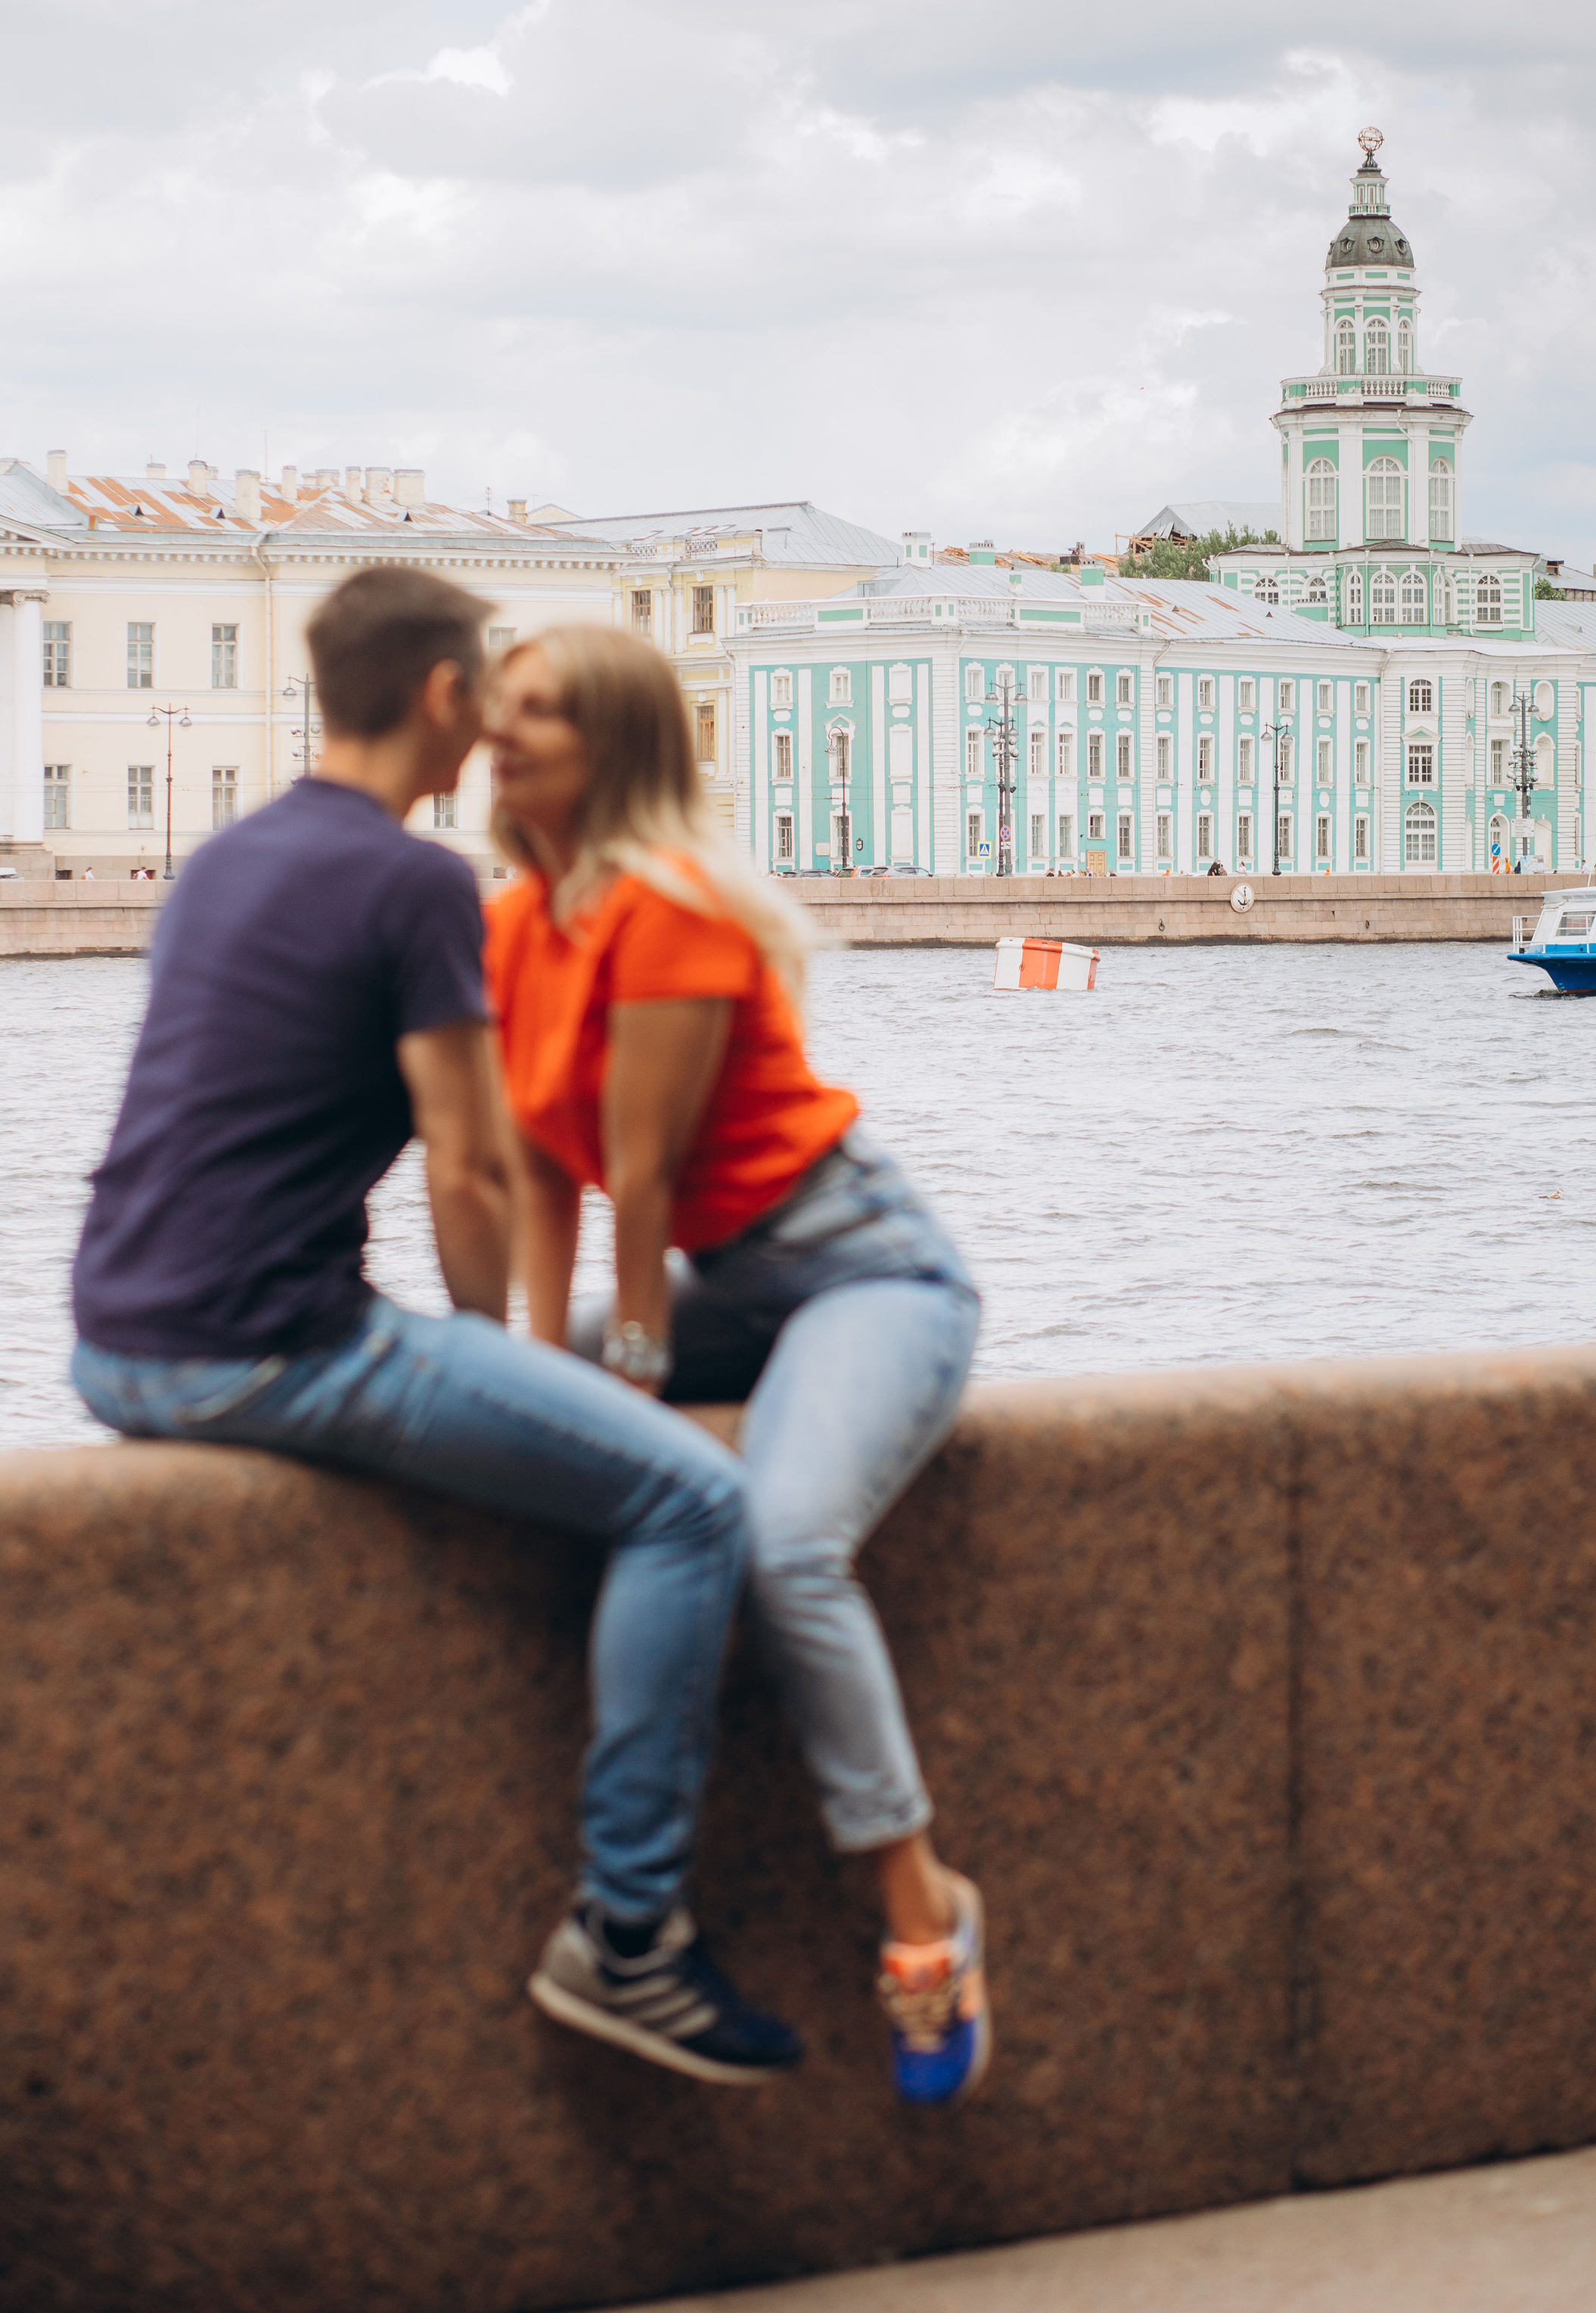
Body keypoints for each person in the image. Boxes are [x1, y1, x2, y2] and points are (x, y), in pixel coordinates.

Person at [70, 566, 800, 2088]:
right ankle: (630, 1936)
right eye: (485, 695)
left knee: (625, 1408)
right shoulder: (413, 884)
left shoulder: (223, 859)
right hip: (264, 1343)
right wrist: (503, 1357)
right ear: (441, 700)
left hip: (114, 1334)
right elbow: (469, 1163)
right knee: (689, 1496)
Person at [484, 626, 989, 2106]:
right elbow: (541, 1185)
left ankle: (920, 1908)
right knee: (429, 1397)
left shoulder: (675, 911)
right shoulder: (512, 927)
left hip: (862, 1269)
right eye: (497, 711)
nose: (501, 738)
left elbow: (637, 1188)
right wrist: (532, 1380)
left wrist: (612, 1400)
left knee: (784, 1544)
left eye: (541, 717)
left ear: (617, 750)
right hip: (728, 1289)